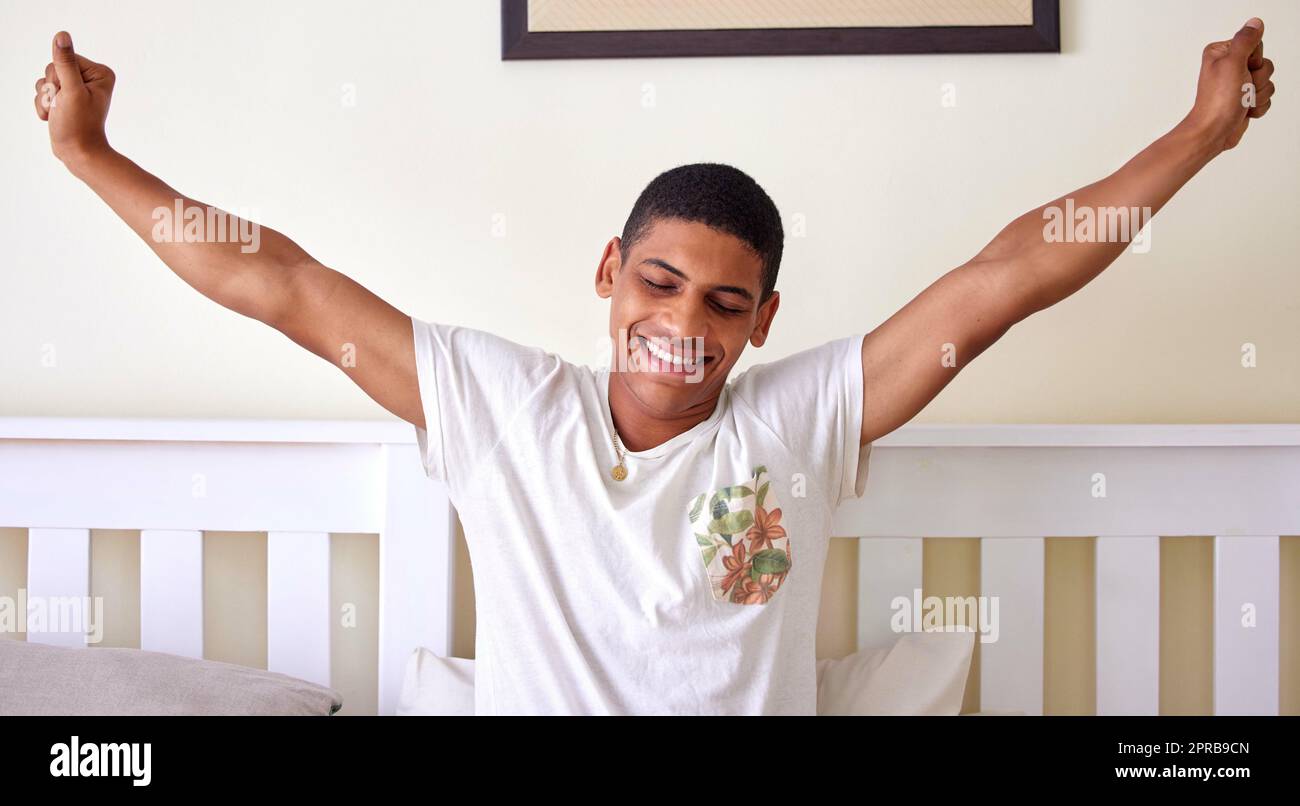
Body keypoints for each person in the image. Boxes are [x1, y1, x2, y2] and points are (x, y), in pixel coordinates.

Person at [30, 20, 1275, 715]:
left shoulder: (801, 424)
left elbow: (1008, 276)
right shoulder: (502, 405)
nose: (683, 322)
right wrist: (89, 153)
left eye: (726, 302)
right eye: (658, 282)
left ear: (763, 320)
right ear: (608, 270)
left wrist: (1201, 134)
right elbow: (283, 286)